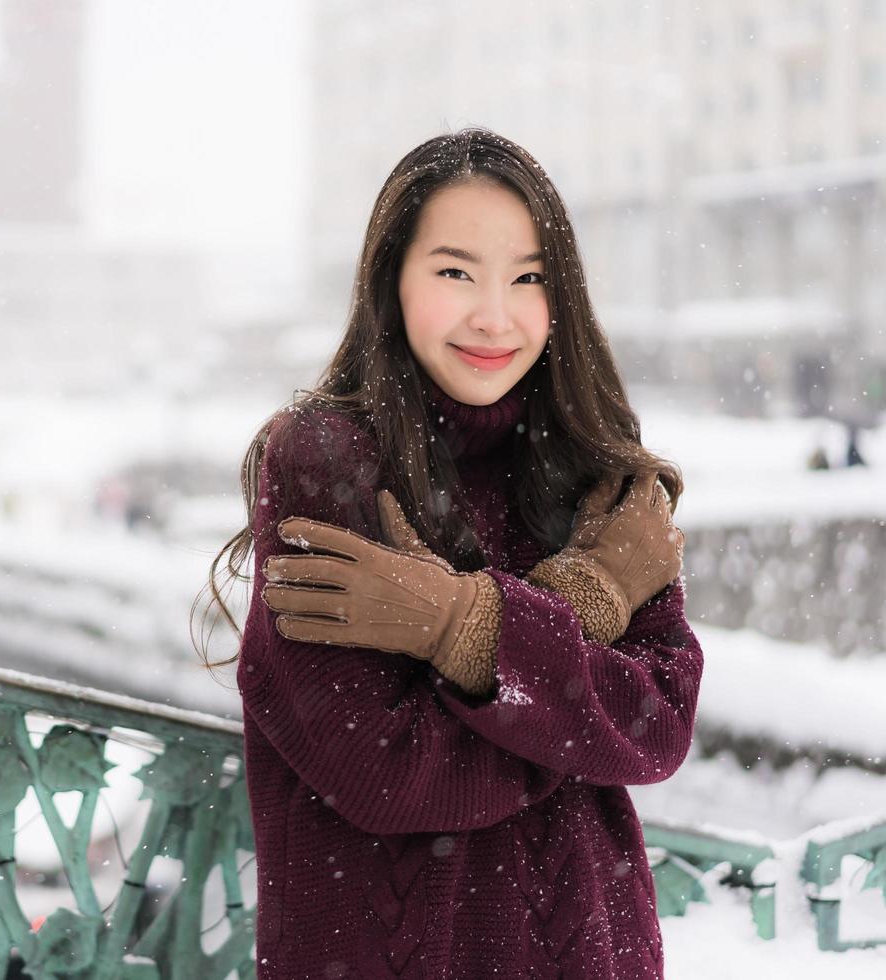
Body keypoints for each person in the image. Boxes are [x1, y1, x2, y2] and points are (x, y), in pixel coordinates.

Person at [197, 128, 701, 978]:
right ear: (391, 280)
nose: (495, 316)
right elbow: (385, 775)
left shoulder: (599, 471)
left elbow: (658, 727)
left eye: (529, 277)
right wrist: (591, 599)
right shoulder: (325, 463)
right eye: (456, 272)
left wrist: (462, 628)